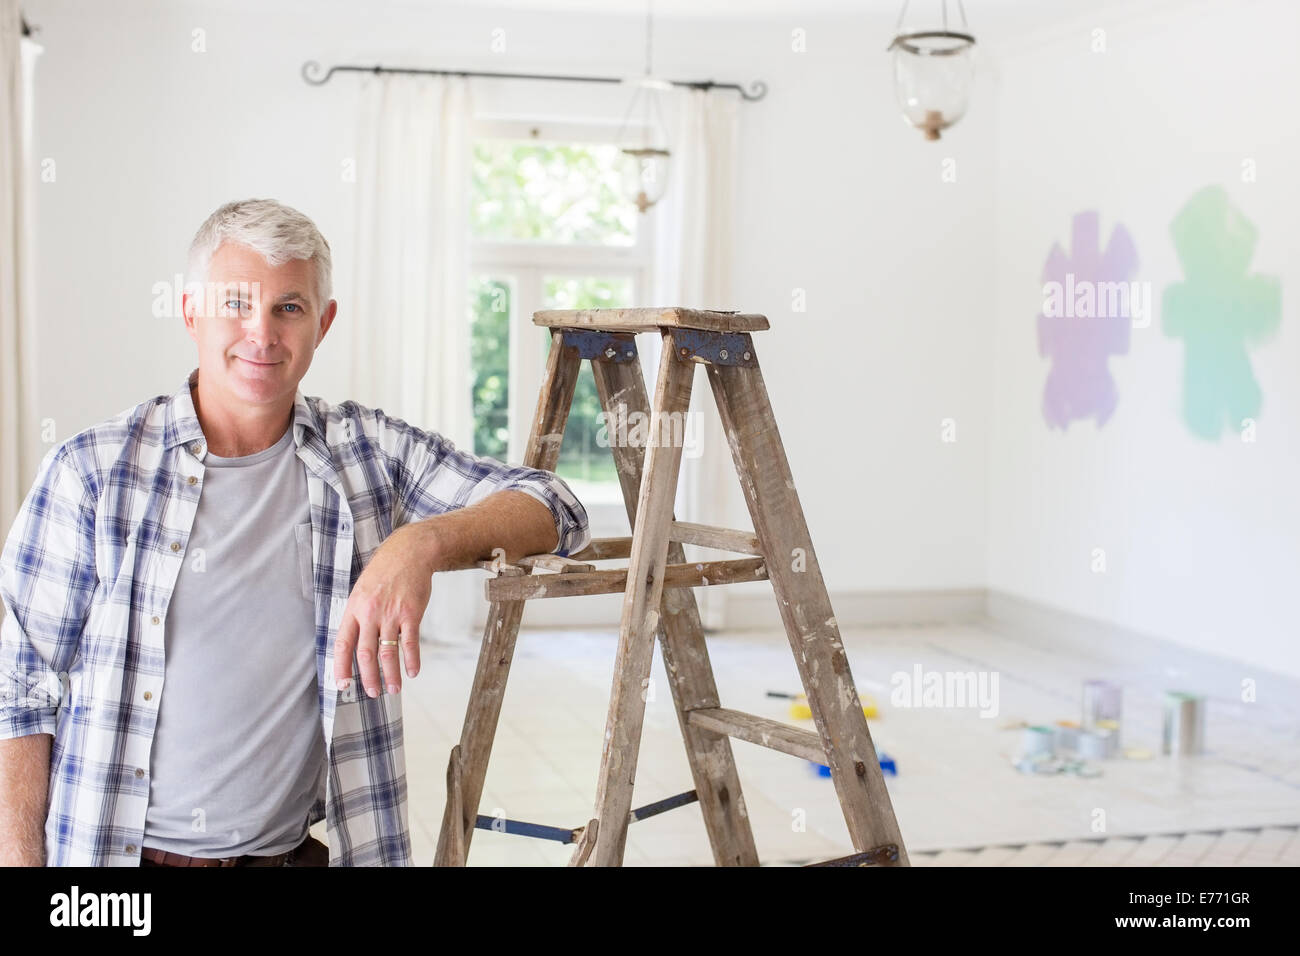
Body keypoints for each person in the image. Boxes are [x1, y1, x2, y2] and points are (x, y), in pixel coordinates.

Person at [0, 198, 591, 866]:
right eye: (236, 303)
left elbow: (556, 507)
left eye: (288, 307)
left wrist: (418, 545)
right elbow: (20, 692)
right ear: (190, 311)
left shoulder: (366, 452)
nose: (261, 333)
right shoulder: (92, 471)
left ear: (322, 323)